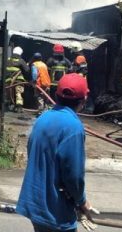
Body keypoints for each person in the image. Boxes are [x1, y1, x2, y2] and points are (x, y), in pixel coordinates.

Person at [17, 74, 98, 232]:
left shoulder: (43, 118)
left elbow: (32, 150)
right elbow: (73, 175)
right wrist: (81, 202)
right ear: (83, 101)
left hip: (35, 203)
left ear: (56, 95)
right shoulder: (73, 127)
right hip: (55, 210)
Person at [5, 46, 31, 112]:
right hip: (18, 81)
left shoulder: (7, 60)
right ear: (20, 53)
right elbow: (27, 70)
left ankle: (10, 105)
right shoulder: (21, 61)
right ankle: (19, 107)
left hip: (8, 81)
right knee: (18, 93)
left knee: (10, 94)